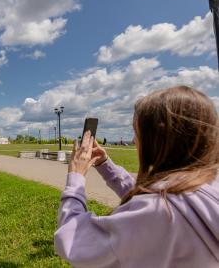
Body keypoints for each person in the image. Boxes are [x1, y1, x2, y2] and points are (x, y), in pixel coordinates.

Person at [54, 86, 219, 267]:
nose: (134, 141)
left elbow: (75, 241)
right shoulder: (208, 184)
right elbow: (155, 192)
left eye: (137, 132)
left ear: (158, 140)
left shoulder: (158, 213)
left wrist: (75, 177)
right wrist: (105, 165)